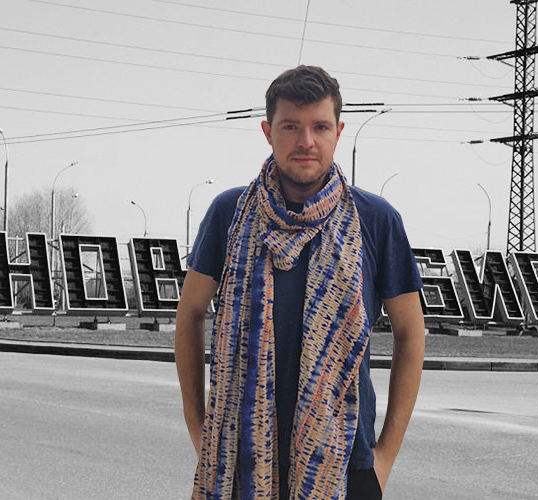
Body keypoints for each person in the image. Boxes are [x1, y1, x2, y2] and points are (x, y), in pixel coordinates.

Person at [175, 65, 425, 500]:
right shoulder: (229, 213)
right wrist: (199, 428)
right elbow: (190, 314)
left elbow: (411, 333)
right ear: (268, 132)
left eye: (320, 127)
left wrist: (384, 456)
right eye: (290, 126)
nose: (306, 141)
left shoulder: (375, 219)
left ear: (338, 132)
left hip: (345, 464)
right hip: (239, 460)